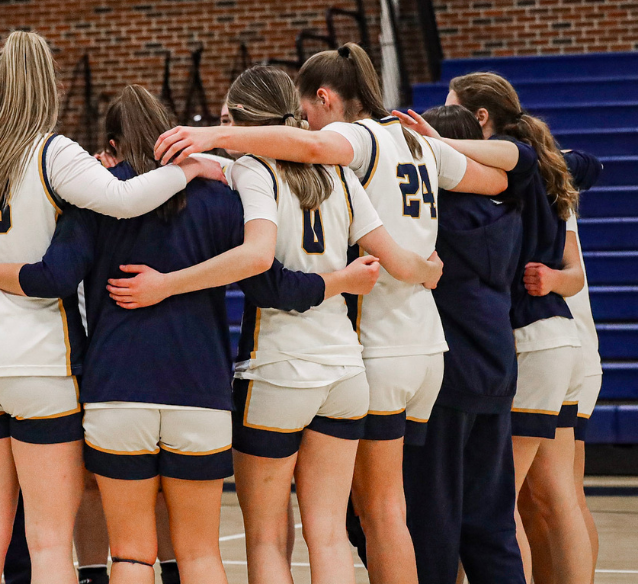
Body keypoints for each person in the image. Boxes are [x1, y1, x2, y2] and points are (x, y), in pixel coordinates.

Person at [0, 81, 358, 584]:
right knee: (200, 555)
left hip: (116, 391)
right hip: (200, 393)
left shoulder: (92, 202)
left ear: (111, 146)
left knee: (132, 555)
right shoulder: (221, 198)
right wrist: (339, 280)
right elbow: (269, 281)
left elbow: (55, 275)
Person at [150, 45, 507, 584]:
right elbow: (405, 249)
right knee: (339, 530)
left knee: (269, 535)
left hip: (290, 364)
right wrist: (428, 271)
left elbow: (258, 236)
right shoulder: (346, 173)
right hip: (359, 366)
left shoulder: (314, 153)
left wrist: (209, 157)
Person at [0, 33, 225, 584]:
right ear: (48, 87)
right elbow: (124, 201)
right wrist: (190, 169)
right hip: (40, 363)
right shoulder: (53, 152)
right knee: (48, 544)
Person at [395, 72, 592, 584]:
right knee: (515, 510)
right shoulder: (523, 191)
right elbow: (574, 166)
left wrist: (432, 147)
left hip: (481, 359)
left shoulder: (436, 218)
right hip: (516, 358)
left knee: (446, 517)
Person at [392, 104, 526, 584]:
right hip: (497, 369)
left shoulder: (434, 218)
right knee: (492, 525)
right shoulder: (509, 210)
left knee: (433, 521)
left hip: (449, 380)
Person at [518, 148, 602, 584]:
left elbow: (589, 163)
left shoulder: (535, 177)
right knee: (544, 499)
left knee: (555, 494)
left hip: (556, 346)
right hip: (567, 348)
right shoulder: (540, 174)